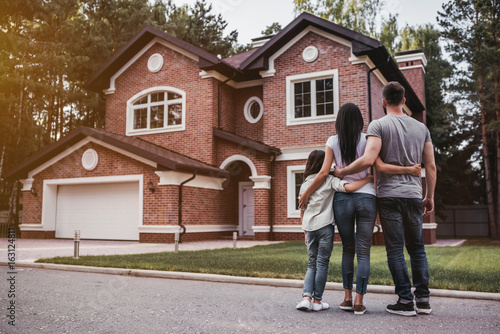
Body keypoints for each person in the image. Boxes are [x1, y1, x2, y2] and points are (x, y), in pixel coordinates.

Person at [298, 103, 421, 315]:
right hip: (366, 197)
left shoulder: (332, 141)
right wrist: (369, 178)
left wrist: (307, 192)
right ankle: (358, 301)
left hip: (343, 199)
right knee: (363, 252)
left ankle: (346, 298)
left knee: (348, 248)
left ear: (338, 120)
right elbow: (377, 164)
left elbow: (323, 173)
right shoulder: (368, 139)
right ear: (359, 121)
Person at [334, 82, 437, 316]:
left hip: (389, 195)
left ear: (383, 101)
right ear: (404, 101)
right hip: (413, 195)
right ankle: (423, 300)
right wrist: (429, 195)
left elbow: (369, 159)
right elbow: (430, 165)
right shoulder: (422, 128)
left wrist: (342, 171)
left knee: (395, 250)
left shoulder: (378, 125)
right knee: (417, 249)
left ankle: (404, 301)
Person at [296, 149, 373, 312]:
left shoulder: (304, 184)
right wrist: (367, 179)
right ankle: (317, 301)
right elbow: (350, 188)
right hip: (325, 228)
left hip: (309, 228)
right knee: (322, 263)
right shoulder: (330, 180)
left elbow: (302, 210)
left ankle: (306, 298)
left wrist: (304, 231)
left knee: (312, 264)